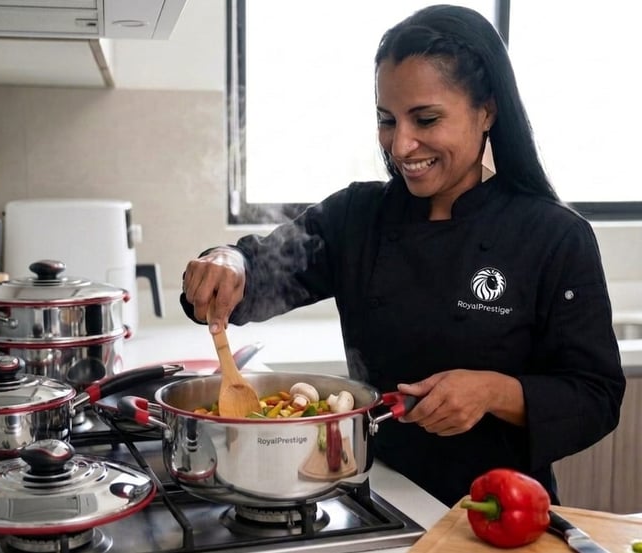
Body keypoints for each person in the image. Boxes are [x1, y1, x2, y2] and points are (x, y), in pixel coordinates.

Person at [180, 4, 625, 507]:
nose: (401, 145)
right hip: (378, 494)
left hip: (500, 511)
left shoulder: (554, 236)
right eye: (387, 120)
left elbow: (596, 397)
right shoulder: (358, 215)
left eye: (426, 119)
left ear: (487, 111)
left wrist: (493, 392)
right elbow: (259, 270)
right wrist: (228, 263)